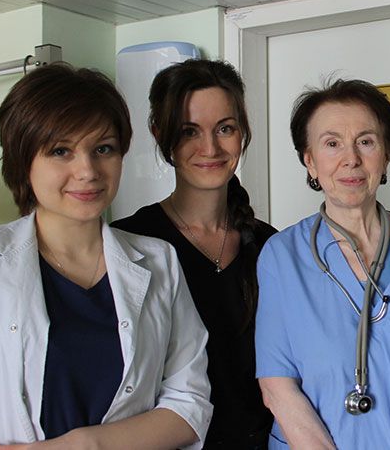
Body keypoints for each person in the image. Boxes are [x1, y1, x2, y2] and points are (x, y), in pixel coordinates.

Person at [0, 64, 211, 448]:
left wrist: (83, 445)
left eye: (103, 149)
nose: (87, 171)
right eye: (61, 151)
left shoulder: (160, 261)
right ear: (23, 160)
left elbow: (190, 405)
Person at [254, 78, 390, 449]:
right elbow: (277, 385)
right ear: (310, 161)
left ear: (386, 155)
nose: (351, 158)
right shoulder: (281, 255)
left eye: (366, 142)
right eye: (332, 143)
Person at [112, 59, 276, 448]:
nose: (211, 148)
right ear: (160, 133)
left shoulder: (271, 247)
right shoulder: (128, 245)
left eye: (225, 128)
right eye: (190, 131)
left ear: (243, 131)